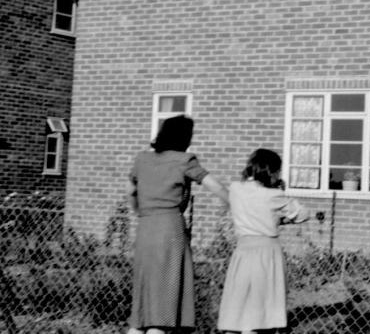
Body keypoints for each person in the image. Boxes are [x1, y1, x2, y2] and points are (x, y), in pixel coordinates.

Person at [127, 115, 228, 334]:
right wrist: (239, 204)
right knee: (164, 302)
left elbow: (131, 192)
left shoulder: (142, 159)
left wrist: (144, 211)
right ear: (184, 137)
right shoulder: (185, 160)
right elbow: (216, 187)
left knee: (144, 302)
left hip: (145, 228)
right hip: (169, 229)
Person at [218, 148, 308, 334]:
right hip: (267, 252)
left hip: (243, 251)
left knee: (239, 304)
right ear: (272, 171)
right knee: (259, 309)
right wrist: (283, 217)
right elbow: (303, 214)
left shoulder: (235, 189)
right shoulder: (273, 195)